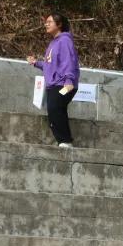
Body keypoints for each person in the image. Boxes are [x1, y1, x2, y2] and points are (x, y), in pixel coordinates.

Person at [26, 13, 80, 148]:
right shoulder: (53, 43)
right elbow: (50, 65)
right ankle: (65, 141)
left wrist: (69, 80)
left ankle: (65, 141)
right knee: (56, 109)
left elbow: (69, 61)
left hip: (64, 84)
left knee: (55, 108)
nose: (46, 24)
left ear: (59, 24)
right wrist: (36, 63)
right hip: (54, 85)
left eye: (50, 22)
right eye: (46, 22)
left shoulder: (65, 41)